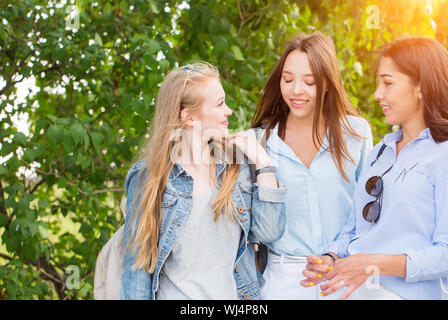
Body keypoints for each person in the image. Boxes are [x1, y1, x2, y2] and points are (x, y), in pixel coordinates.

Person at [119, 62, 287, 300]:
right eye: (219, 104)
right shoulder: (148, 178)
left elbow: (269, 232)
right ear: (189, 118)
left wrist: (263, 163)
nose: (228, 111)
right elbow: (136, 271)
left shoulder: (235, 167)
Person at [301, 37, 448, 300]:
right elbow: (354, 229)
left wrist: (374, 265)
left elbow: (445, 254)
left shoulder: (443, 155)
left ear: (421, 86)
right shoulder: (379, 153)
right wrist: (332, 257)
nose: (377, 94)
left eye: (388, 83)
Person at [250, 32, 373, 299]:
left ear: (327, 83)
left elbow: (368, 213)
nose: (296, 91)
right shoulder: (260, 141)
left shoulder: (356, 133)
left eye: (309, 82)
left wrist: (337, 255)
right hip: (283, 282)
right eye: (288, 79)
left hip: (344, 276)